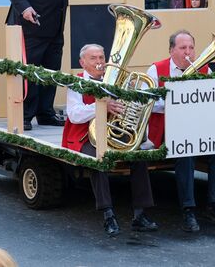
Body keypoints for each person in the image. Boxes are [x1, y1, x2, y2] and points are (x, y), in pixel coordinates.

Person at [3, 0, 99, 131]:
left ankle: (45, 113)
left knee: (51, 68)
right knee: (30, 70)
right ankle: (25, 115)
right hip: (31, 23)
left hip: (56, 23)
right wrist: (25, 8)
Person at [62, 44, 156, 237]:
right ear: (82, 63)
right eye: (93, 58)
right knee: (100, 159)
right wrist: (101, 106)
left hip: (113, 132)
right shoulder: (76, 82)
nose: (99, 62)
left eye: (101, 58)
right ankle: (108, 214)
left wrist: (130, 96)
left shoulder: (114, 79)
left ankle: (140, 214)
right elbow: (74, 115)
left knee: (138, 156)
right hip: (84, 136)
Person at [146, 30, 215, 232]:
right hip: (166, 129)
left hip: (196, 127)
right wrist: (175, 101)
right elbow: (148, 102)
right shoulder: (156, 69)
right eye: (183, 48)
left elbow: (213, 99)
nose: (188, 52)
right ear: (171, 50)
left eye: (191, 48)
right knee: (185, 152)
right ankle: (188, 210)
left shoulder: (203, 69)